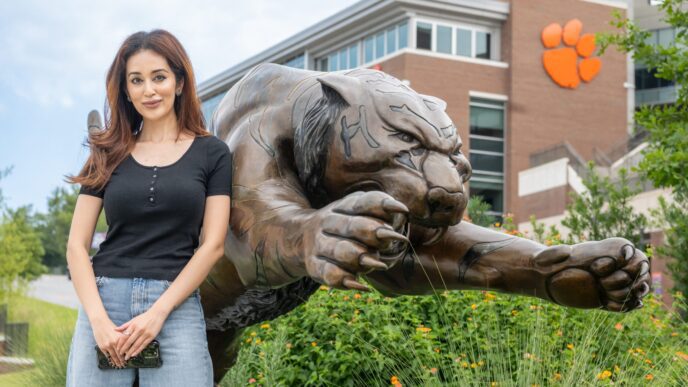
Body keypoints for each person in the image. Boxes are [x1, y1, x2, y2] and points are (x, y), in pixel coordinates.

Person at [65, 29, 231, 386]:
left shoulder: (213, 153)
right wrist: (98, 322)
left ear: (180, 82)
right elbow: (77, 246)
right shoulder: (106, 151)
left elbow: (213, 245)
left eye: (159, 77)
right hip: (105, 304)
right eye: (136, 80)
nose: (149, 90)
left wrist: (157, 314)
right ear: (126, 90)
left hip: (174, 309)